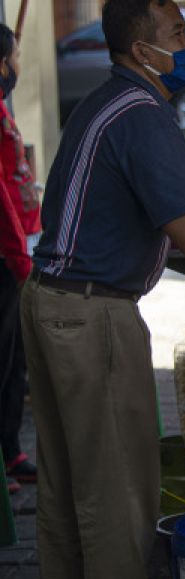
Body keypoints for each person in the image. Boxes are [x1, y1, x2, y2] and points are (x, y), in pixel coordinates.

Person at [21, 0, 185, 579]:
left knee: (70, 472)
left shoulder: (107, 102)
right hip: (91, 311)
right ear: (140, 49)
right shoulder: (144, 115)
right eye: (177, 35)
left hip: (51, 299)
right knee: (116, 476)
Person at [0, 23, 36, 493]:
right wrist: (17, 256)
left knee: (14, 360)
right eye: (14, 55)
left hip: (17, 248)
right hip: (5, 257)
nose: (18, 65)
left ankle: (11, 450)